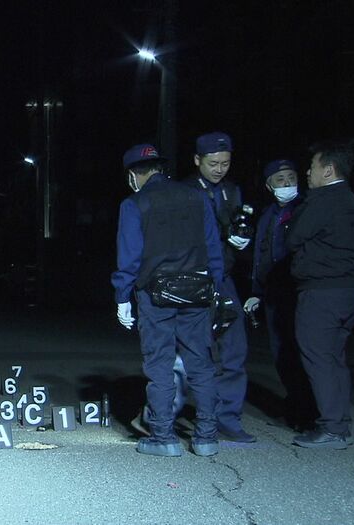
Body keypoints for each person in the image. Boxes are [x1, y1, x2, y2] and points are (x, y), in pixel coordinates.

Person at [112, 144, 225, 457]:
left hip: (155, 293)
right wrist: (218, 284)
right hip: (198, 290)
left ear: (134, 174)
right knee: (201, 364)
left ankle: (163, 436)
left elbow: (130, 256)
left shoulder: (134, 203)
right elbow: (213, 247)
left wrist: (122, 296)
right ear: (160, 168)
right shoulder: (197, 196)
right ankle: (206, 437)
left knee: (160, 363)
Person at [286, 141, 354, 449]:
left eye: (314, 167)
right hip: (349, 291)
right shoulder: (351, 200)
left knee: (319, 357)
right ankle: (340, 424)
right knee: (335, 358)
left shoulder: (324, 199)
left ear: (328, 170)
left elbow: (294, 237)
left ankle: (331, 428)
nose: (308, 172)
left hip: (322, 293)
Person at [186, 131, 255, 442]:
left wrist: (241, 239)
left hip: (224, 278)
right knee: (197, 350)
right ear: (198, 160)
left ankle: (228, 417)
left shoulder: (231, 191)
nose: (219, 169)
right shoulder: (185, 191)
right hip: (194, 278)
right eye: (213, 163)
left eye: (225, 163)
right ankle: (198, 415)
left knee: (234, 347)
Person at [244, 159, 314, 430]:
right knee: (281, 354)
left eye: (291, 177)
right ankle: (294, 405)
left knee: (301, 352)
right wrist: (256, 292)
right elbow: (261, 256)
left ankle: (308, 412)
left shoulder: (305, 208)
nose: (287, 184)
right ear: (269, 185)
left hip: (297, 291)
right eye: (280, 180)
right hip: (273, 294)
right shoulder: (268, 215)